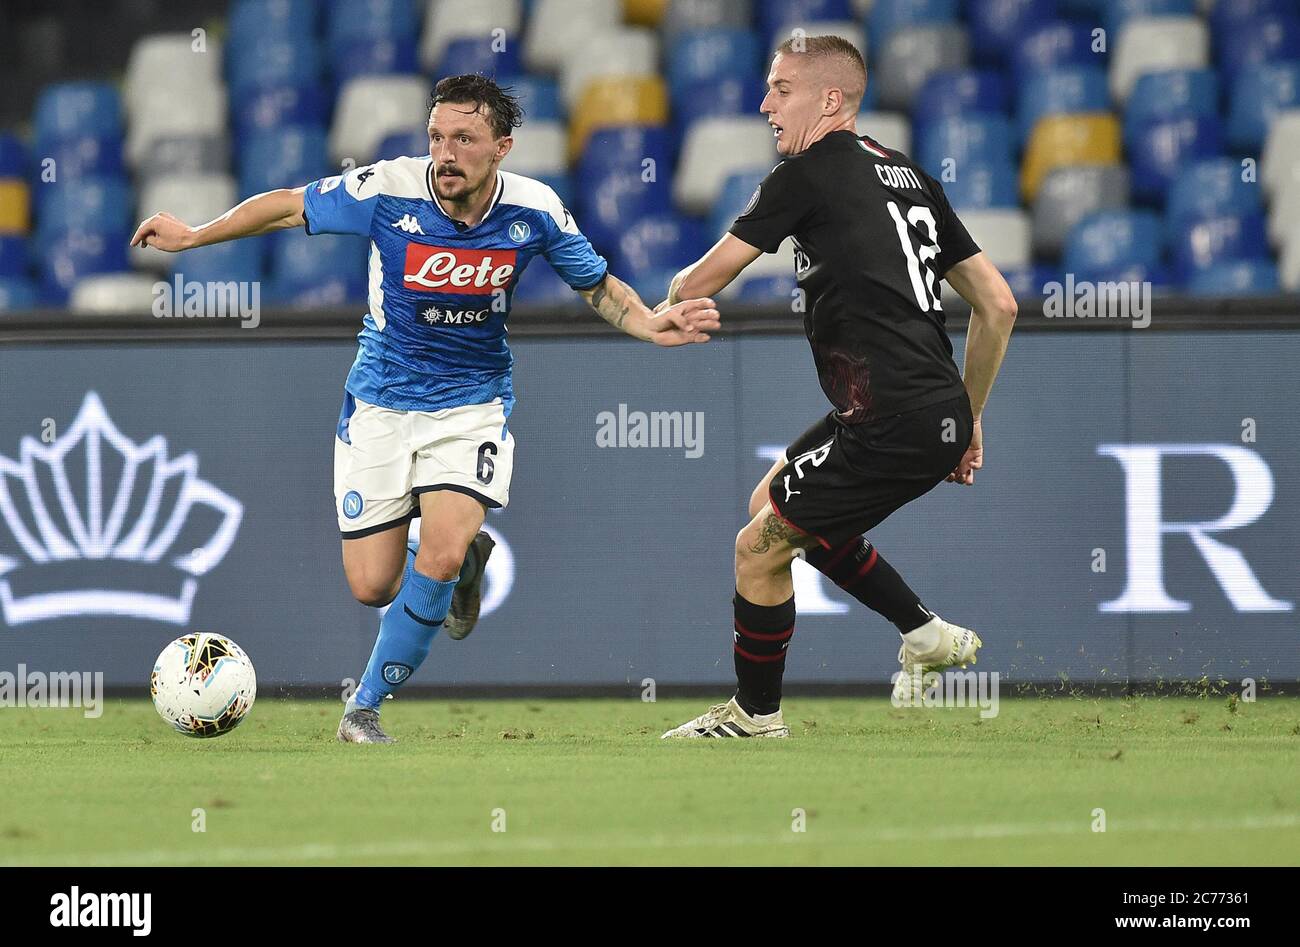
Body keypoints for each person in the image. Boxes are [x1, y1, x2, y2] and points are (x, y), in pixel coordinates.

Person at [131, 75, 720, 744]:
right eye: (437, 137)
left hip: (473, 404)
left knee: (434, 555)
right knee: (372, 585)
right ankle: (467, 564)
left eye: (463, 139)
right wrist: (193, 235)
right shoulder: (388, 189)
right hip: (380, 402)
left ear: (501, 147)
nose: (445, 152)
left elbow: (598, 286)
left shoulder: (535, 210)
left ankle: (365, 708)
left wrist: (650, 323)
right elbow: (288, 207)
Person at [659, 37, 1017, 738]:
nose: (765, 105)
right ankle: (923, 633)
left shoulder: (806, 174)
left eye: (780, 89)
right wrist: (967, 414)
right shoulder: (909, 175)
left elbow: (693, 283)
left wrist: (671, 303)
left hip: (891, 414)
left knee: (757, 549)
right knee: (771, 502)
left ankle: (755, 717)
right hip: (924, 406)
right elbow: (998, 303)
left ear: (830, 100)